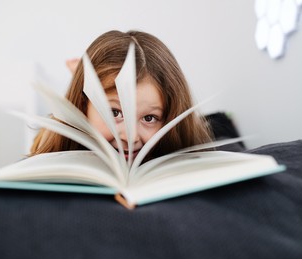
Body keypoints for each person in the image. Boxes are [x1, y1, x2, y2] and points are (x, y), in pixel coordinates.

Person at [30, 30, 214, 161]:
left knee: (216, 125)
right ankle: (78, 74)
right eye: (114, 113)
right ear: (83, 106)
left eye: (149, 118)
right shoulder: (53, 140)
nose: (130, 137)